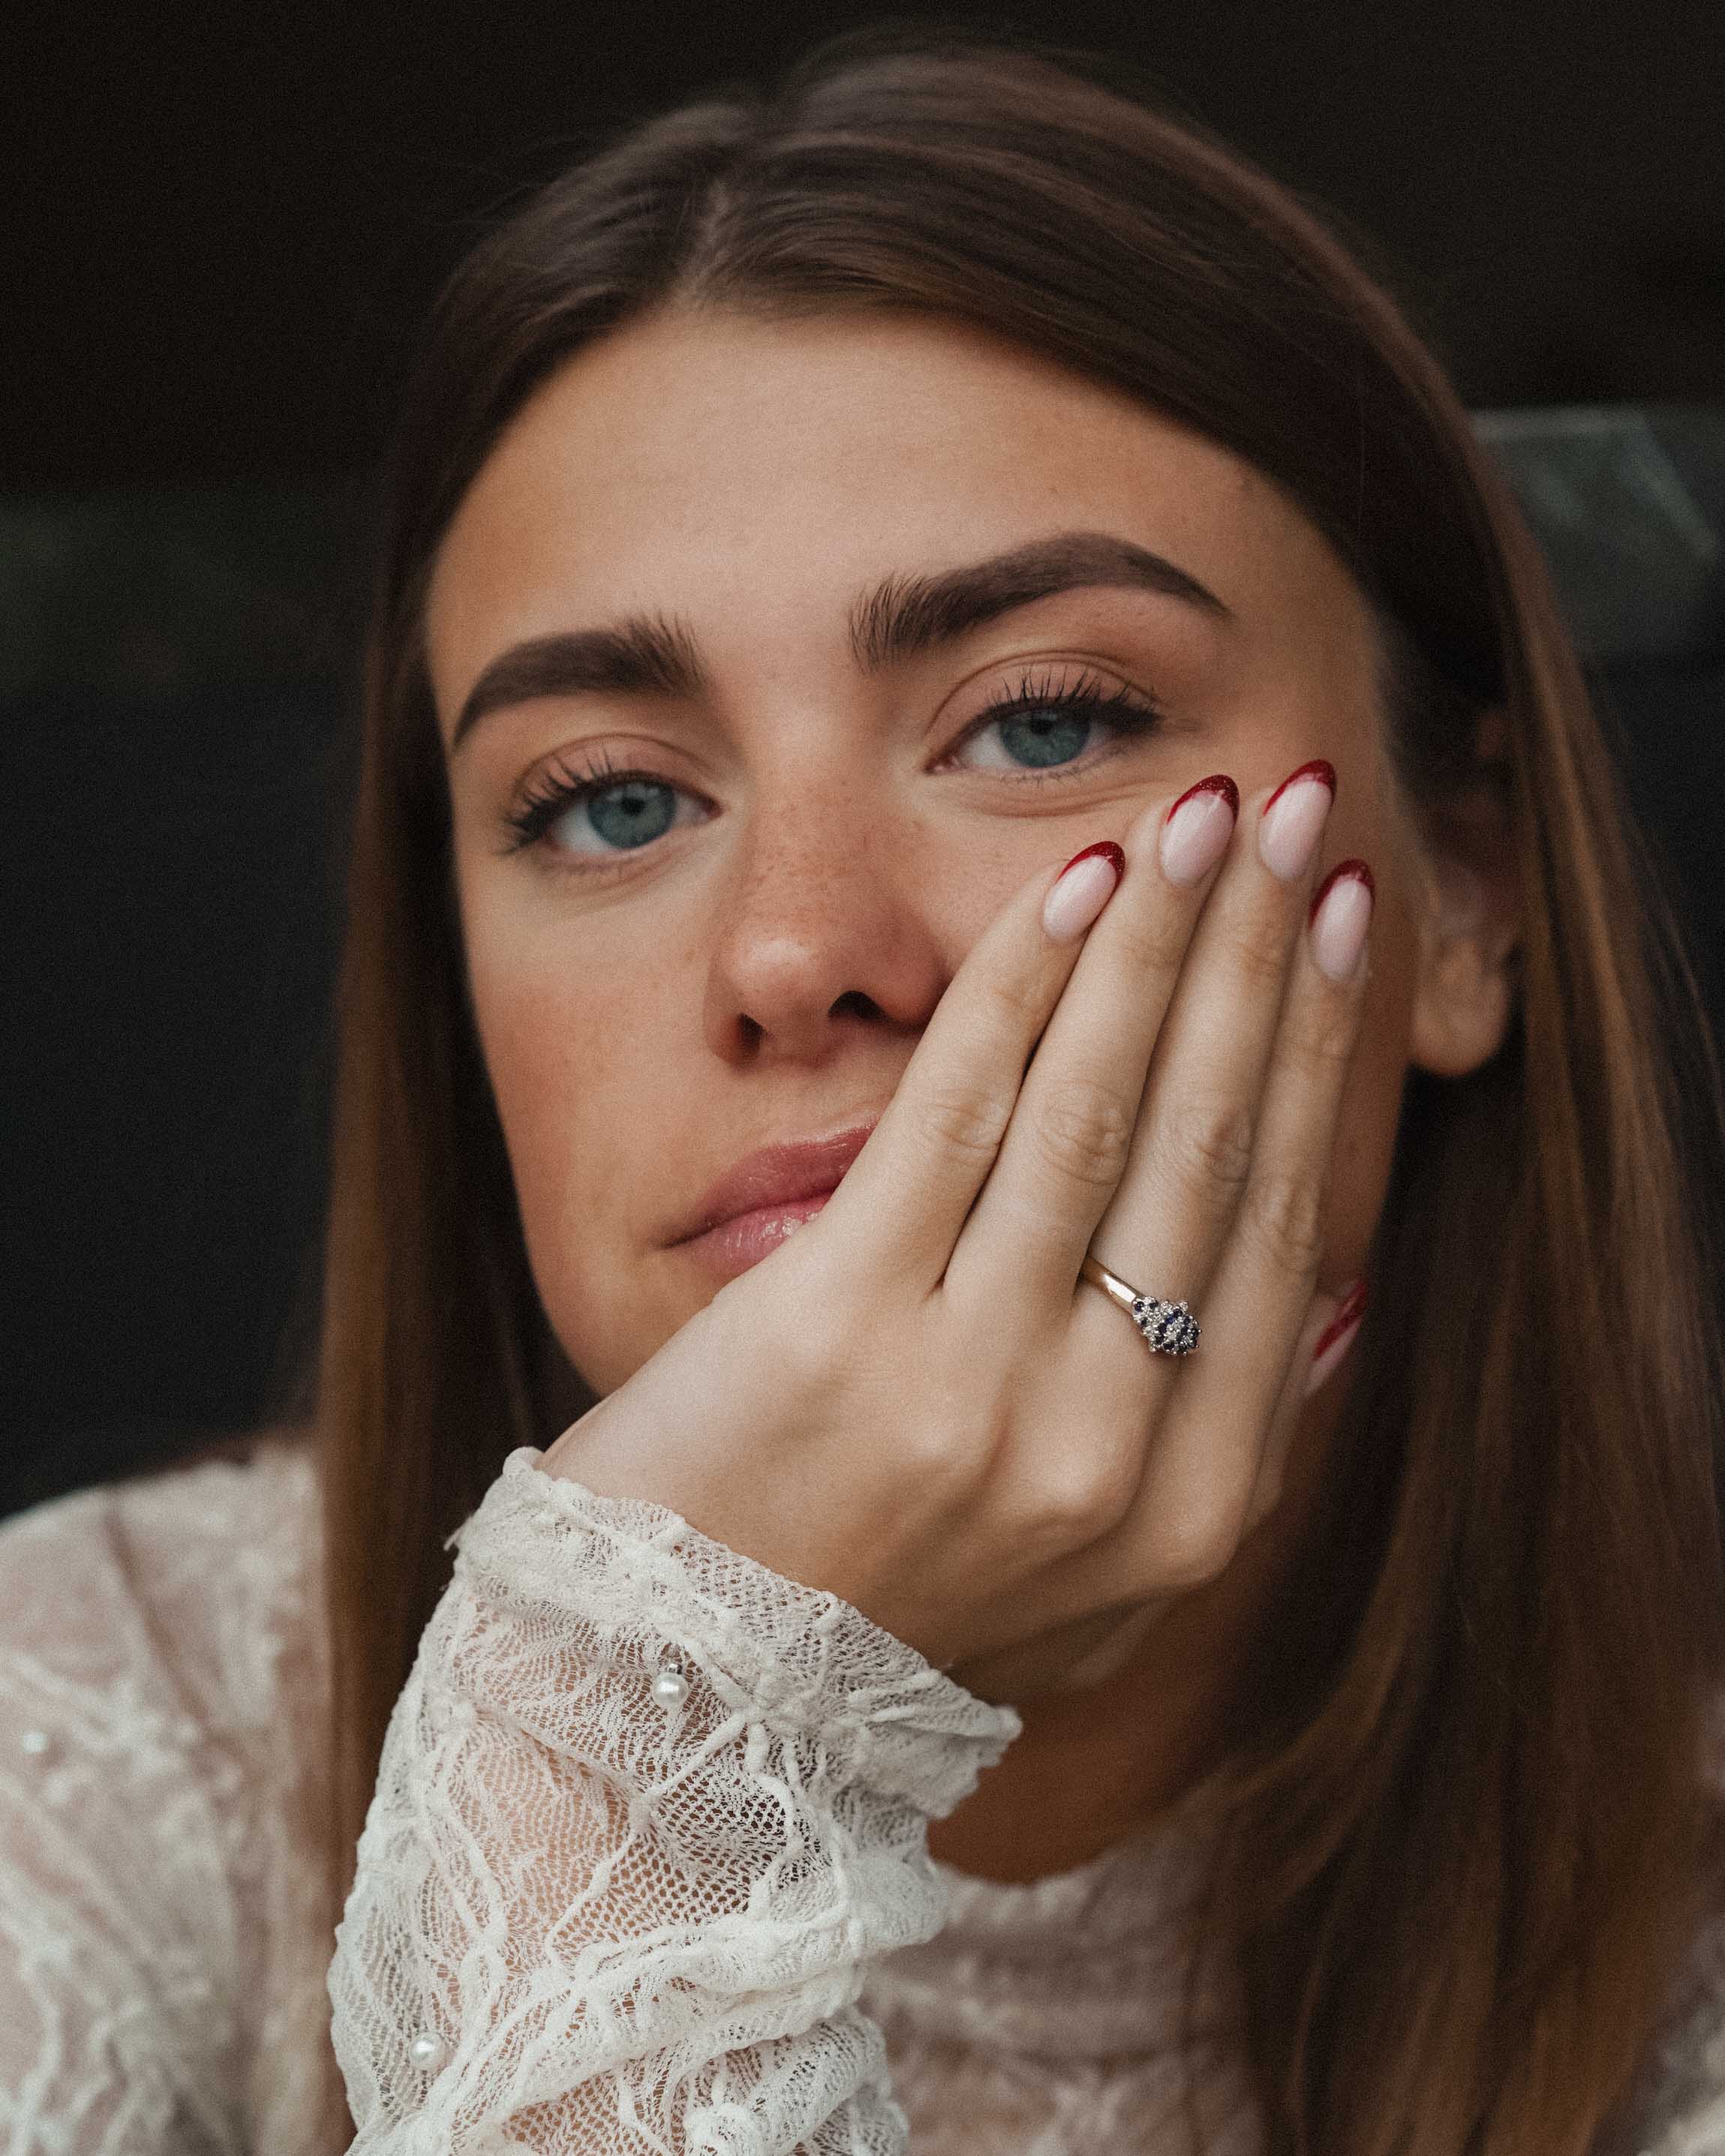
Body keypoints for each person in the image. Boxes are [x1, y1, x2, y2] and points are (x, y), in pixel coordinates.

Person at [5, 25, 1724, 2155]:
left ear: (1467, 889)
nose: (797, 949)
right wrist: (613, 1726)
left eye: (1037, 722)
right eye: (614, 797)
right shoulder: (78, 1726)